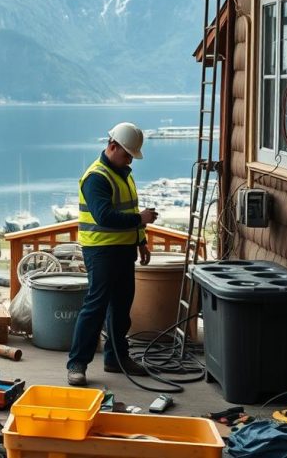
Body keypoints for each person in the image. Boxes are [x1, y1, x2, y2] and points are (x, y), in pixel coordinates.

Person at [67, 122, 159, 387]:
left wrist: (141, 240)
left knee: (121, 308)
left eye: (132, 155)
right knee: (95, 308)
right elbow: (104, 216)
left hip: (123, 250)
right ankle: (77, 363)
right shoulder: (96, 177)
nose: (130, 159)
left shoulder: (123, 173)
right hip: (101, 251)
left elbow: (130, 210)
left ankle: (116, 359)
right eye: (127, 153)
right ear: (112, 146)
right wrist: (140, 220)